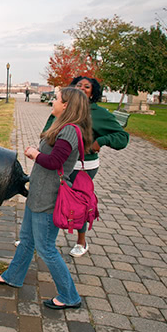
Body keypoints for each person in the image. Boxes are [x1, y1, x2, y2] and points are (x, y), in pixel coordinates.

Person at [0, 87, 93, 309]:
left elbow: (55, 163)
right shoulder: (63, 128)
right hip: (39, 194)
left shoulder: (70, 131)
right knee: (27, 239)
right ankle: (13, 277)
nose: (52, 102)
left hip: (48, 198)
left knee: (46, 248)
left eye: (56, 99)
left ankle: (69, 296)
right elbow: (54, 157)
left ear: (66, 106)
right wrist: (39, 153)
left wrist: (35, 154)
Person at [43, 76, 129, 257]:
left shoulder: (98, 113)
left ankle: (81, 242)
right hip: (59, 163)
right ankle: (39, 239)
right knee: (52, 198)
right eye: (78, 85)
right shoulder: (63, 109)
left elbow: (122, 137)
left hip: (83, 167)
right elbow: (47, 131)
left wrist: (101, 141)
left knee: (77, 202)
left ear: (93, 92)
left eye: (87, 86)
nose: (82, 88)